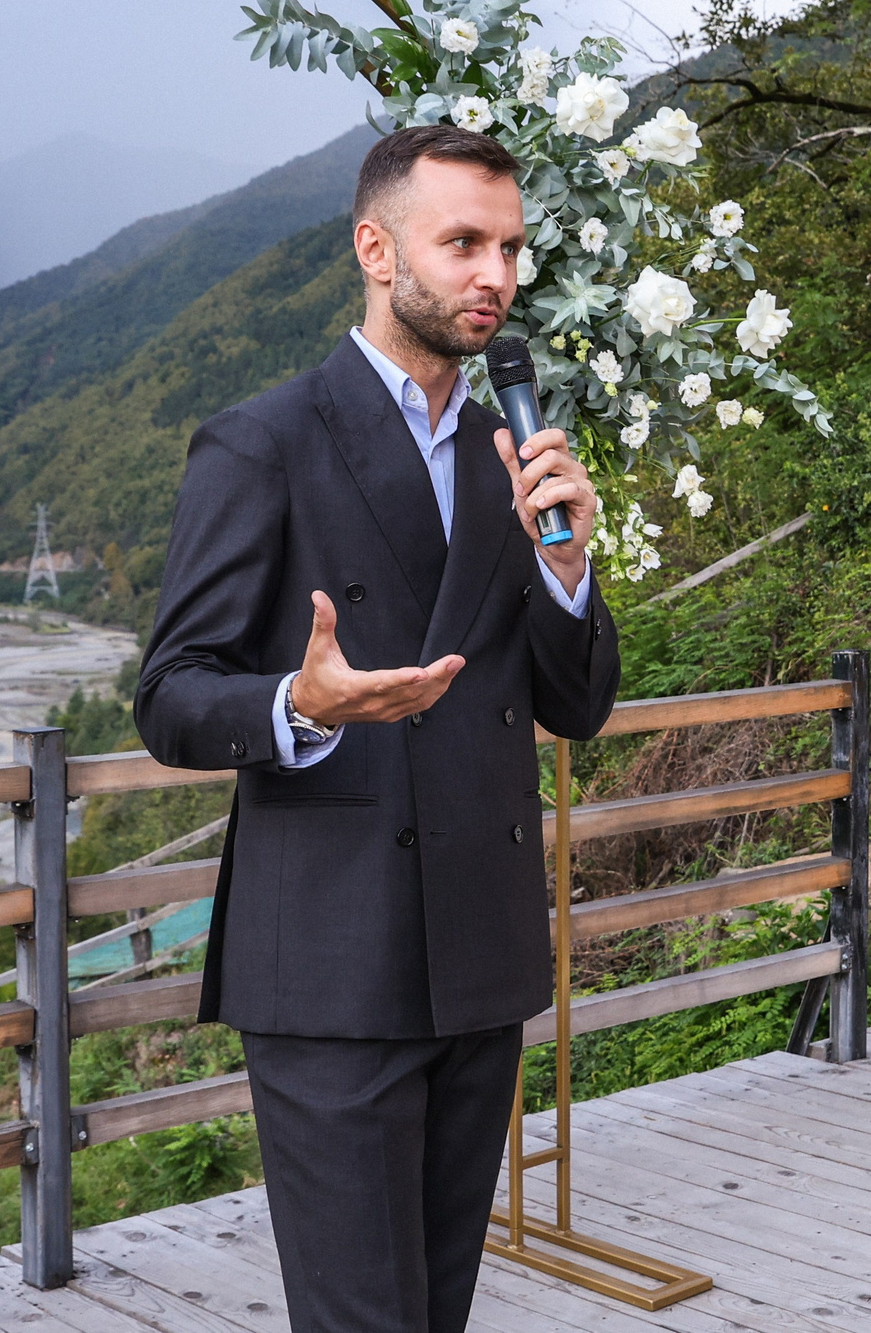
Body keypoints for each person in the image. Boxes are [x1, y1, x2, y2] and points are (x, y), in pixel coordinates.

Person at [135, 123, 618, 1333]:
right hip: (332, 964)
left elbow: (577, 703)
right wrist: (296, 706)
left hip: (481, 953)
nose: (494, 276)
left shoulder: (513, 451)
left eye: (509, 247)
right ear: (374, 247)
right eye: (462, 242)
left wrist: (569, 571)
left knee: (436, 1309)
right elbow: (170, 695)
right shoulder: (265, 440)